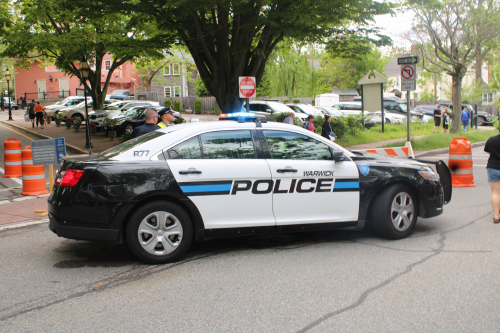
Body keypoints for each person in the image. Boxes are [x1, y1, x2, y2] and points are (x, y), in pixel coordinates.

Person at [484, 127, 500, 223]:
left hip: (493, 168)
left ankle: (496, 216)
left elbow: (489, 151)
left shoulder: (492, 140)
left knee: (496, 193)